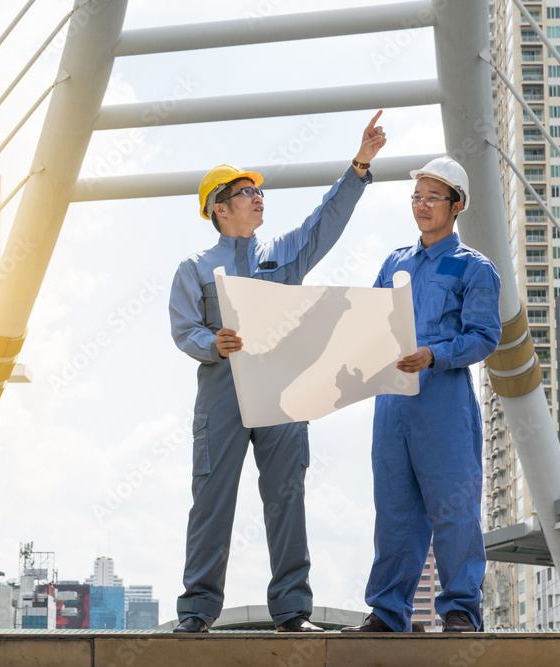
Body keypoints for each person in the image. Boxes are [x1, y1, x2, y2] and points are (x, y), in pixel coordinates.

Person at [169, 112, 387, 634]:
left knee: (287, 500)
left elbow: (323, 223)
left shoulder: (283, 255)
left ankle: (292, 611)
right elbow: (183, 329)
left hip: (282, 394)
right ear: (218, 209)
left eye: (257, 192)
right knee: (211, 503)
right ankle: (197, 612)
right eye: (245, 192)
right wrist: (211, 342)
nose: (257, 197)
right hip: (222, 396)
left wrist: (359, 166)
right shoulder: (194, 267)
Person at [341, 156, 501, 634]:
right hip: (391, 405)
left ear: (458, 206)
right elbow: (367, 322)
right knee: (394, 513)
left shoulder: (475, 268)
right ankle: (389, 613)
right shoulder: (394, 262)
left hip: (444, 405)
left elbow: (484, 337)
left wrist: (434, 354)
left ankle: (459, 612)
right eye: (417, 196)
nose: (422, 205)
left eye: (433, 197)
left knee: (454, 510)